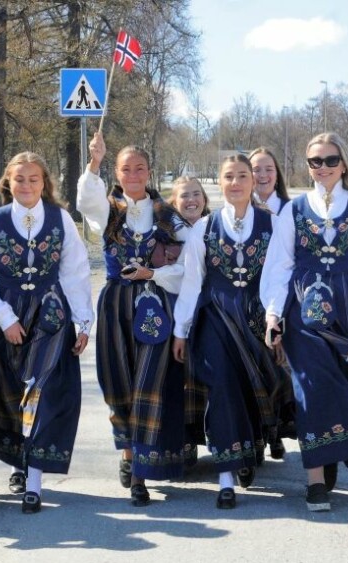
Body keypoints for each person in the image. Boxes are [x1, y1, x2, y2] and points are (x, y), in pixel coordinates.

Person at [260, 132, 348, 512]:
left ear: (343, 163)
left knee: (346, 381)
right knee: (311, 386)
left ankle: (331, 454)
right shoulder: (294, 210)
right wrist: (273, 313)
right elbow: (279, 265)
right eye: (314, 162)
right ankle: (315, 478)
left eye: (330, 160)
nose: (322, 168)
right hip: (303, 311)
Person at [0, 152, 93, 514]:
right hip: (8, 313)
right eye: (19, 179)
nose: (26, 185)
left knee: (45, 390)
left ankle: (33, 479)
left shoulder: (60, 219)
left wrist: (82, 321)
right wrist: (3, 317)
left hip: (50, 315)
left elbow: (75, 272)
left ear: (44, 182)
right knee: (6, 390)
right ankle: (20, 462)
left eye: (34, 178)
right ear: (8, 182)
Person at [76, 131, 187, 507]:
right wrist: (94, 161)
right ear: (118, 174)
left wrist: (153, 275)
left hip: (156, 305)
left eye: (140, 168)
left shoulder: (169, 217)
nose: (134, 174)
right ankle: (127, 452)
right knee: (118, 382)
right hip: (115, 305)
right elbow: (85, 200)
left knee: (148, 384)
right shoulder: (108, 211)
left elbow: (187, 266)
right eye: (126, 169)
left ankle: (140, 473)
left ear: (149, 172)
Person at [172, 155, 286, 509]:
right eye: (228, 177)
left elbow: (279, 276)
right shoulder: (203, 229)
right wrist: (181, 329)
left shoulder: (273, 224)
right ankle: (226, 475)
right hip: (216, 318)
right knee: (222, 387)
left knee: (253, 390)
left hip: (255, 319)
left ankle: (250, 452)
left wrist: (273, 317)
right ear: (218, 184)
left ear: (253, 181)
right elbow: (192, 283)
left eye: (242, 176)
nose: (235, 183)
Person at [248, 147, 296, 460]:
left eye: (269, 169)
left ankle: (278, 429)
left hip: (282, 299)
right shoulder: (239, 210)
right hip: (247, 299)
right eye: (256, 170)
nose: (263, 176)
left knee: (280, 369)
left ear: (277, 174)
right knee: (253, 369)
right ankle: (258, 434)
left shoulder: (289, 210)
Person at [166, 176, 211, 462]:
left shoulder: (217, 226)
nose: (191, 200)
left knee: (212, 377)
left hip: (211, 308)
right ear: (174, 202)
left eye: (196, 194)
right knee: (180, 377)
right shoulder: (165, 233)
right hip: (175, 308)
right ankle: (185, 440)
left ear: (205, 199)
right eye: (184, 196)